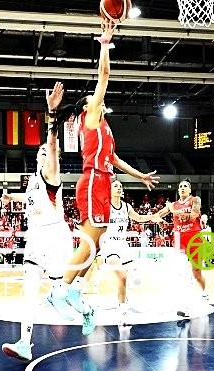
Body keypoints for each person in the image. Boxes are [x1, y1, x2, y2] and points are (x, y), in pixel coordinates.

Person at [46, 20, 158, 328]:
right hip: (94, 180)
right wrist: (105, 44)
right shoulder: (91, 116)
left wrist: (140, 177)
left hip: (101, 180)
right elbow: (104, 75)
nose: (101, 99)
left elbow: (116, 159)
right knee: (88, 242)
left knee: (94, 244)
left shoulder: (105, 128)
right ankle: (60, 289)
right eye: (95, 99)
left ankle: (73, 289)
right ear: (88, 107)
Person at [0, 82, 75, 361]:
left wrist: (51, 116)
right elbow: (29, 199)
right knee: (28, 291)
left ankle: (84, 307)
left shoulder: (52, 175)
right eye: (42, 153)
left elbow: (53, 145)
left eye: (49, 153)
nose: (47, 155)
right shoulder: (33, 181)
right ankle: (24, 342)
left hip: (54, 238)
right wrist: (12, 199)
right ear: (36, 158)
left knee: (60, 292)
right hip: (35, 237)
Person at [97, 179, 161, 321]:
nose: (118, 188)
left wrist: (153, 217)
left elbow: (138, 217)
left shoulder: (126, 207)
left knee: (132, 280)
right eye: (115, 186)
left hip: (123, 246)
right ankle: (123, 310)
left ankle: (123, 300)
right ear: (110, 190)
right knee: (122, 276)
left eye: (120, 186)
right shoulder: (105, 206)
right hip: (109, 246)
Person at [154, 178, 209, 314]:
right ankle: (185, 306)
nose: (183, 188)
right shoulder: (173, 204)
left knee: (196, 273)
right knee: (182, 273)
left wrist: (174, 211)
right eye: (181, 186)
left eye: (185, 186)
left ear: (189, 190)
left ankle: (204, 291)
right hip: (179, 239)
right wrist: (159, 220)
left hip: (195, 238)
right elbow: (157, 215)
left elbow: (193, 216)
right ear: (178, 190)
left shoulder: (195, 200)